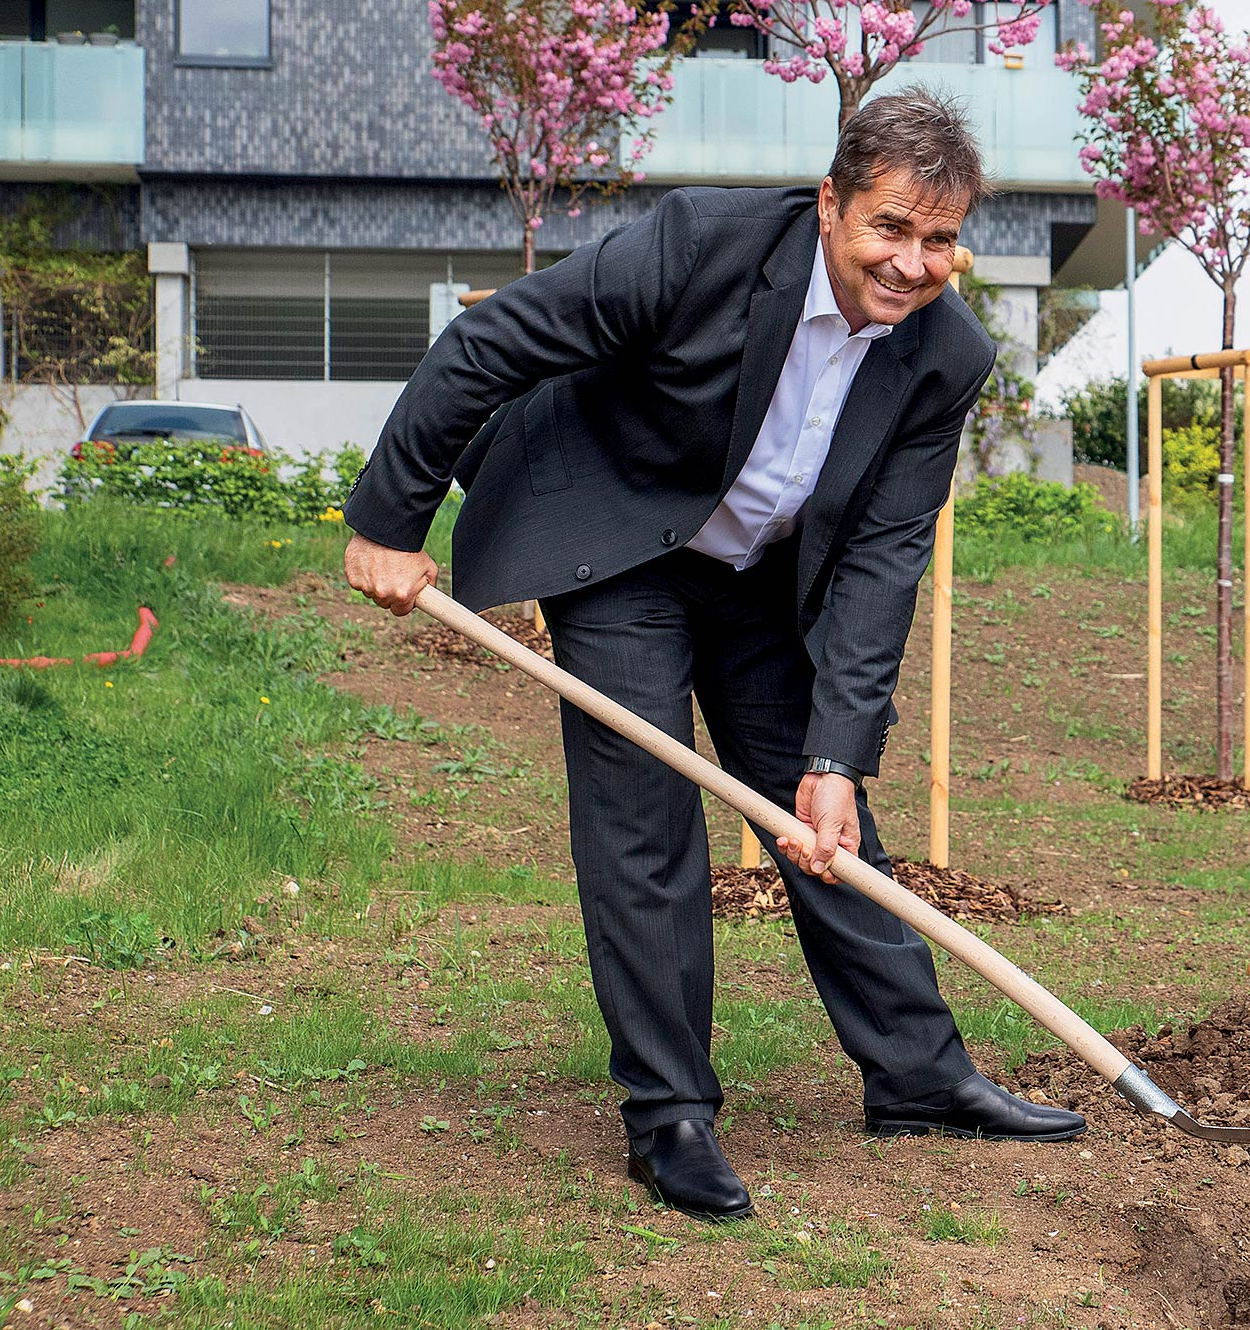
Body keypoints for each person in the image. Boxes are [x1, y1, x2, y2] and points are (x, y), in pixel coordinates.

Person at [341, 90, 1083, 1222]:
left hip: (758, 577)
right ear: (831, 204)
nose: (912, 262)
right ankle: (669, 1112)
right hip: (618, 534)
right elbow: (491, 341)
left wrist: (838, 751)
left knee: (830, 820)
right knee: (644, 810)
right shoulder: (701, 246)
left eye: (939, 237)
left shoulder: (946, 356)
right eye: (890, 226)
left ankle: (919, 1076)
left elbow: (882, 564)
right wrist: (389, 520)